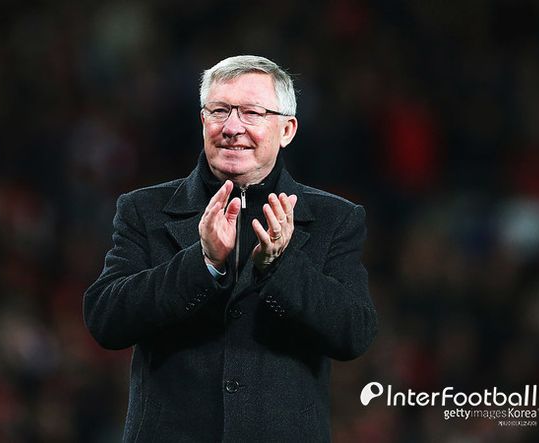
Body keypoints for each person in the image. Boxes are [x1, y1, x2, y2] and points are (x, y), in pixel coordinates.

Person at [83, 55, 377, 442]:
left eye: (252, 113)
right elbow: (106, 320)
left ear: (287, 129)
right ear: (203, 120)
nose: (232, 127)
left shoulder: (333, 218)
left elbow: (354, 333)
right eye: (220, 110)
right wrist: (201, 263)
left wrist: (281, 266)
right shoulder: (144, 209)